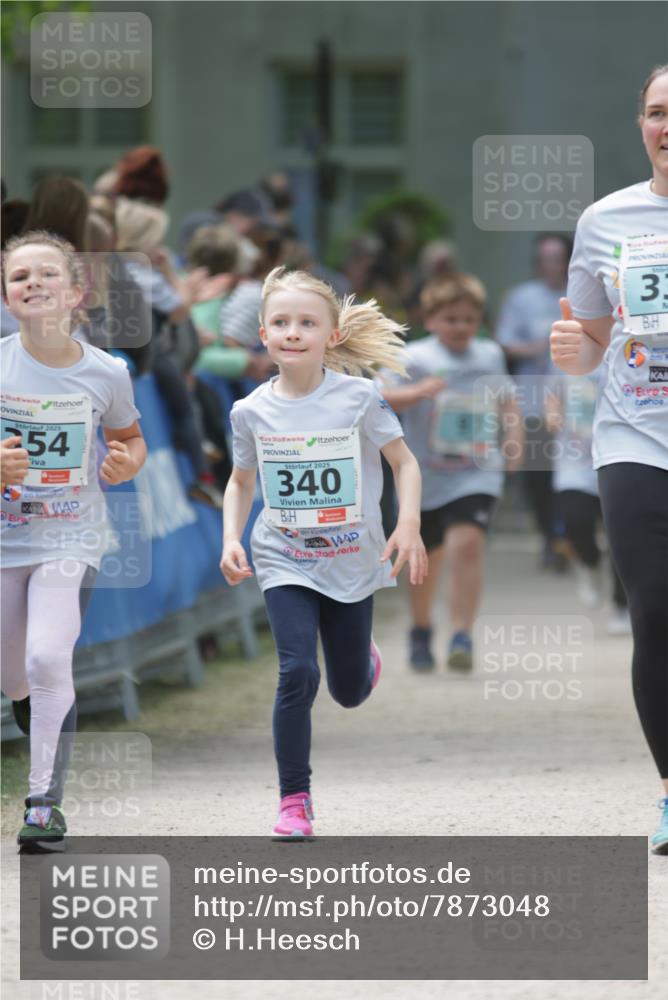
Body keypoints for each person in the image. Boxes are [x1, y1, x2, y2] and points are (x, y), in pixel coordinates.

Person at [220, 267, 427, 839]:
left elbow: (404, 463)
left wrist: (408, 523)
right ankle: (294, 801)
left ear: (331, 335)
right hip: (283, 556)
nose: (293, 332)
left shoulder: (359, 398)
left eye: (307, 323)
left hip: (351, 559)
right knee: (297, 671)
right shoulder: (249, 411)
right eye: (281, 322)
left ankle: (362, 659)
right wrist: (232, 537)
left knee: (349, 691)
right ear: (263, 334)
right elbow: (240, 481)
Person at [550, 63, 668, 855]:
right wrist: (575, 348)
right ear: (641, 124)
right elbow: (591, 338)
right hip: (637, 437)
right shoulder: (605, 220)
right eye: (658, 111)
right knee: (655, 612)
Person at [0, 230, 146, 852]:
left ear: (76, 292)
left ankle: (43, 804)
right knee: (14, 676)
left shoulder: (106, 372)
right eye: (18, 276)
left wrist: (125, 462)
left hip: (71, 533)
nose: (33, 283)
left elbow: (130, 439)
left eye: (47, 274)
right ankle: (33, 714)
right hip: (6, 539)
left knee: (46, 658)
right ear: (6, 297)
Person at [382, 275, 522, 672]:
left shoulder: (489, 354)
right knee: (427, 557)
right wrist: (416, 392)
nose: (461, 326)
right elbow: (377, 397)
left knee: (467, 544)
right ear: (430, 319)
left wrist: (514, 442)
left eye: (469, 319)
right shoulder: (414, 357)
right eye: (451, 319)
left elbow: (506, 401)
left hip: (477, 470)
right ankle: (421, 628)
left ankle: (461, 634)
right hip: (424, 475)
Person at [496, 233, 573, 570]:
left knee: (573, 474)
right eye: (545, 258)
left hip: (578, 403)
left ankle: (570, 535)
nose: (551, 265)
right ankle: (550, 537)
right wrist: (539, 347)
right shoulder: (521, 298)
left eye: (557, 257)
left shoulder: (582, 294)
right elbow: (504, 343)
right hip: (533, 400)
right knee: (539, 476)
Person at [544, 371, 630, 631]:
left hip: (620, 458)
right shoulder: (564, 360)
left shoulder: (626, 355)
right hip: (575, 465)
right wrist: (553, 416)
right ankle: (589, 564)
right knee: (576, 522)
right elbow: (552, 398)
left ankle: (622, 606)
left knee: (622, 537)